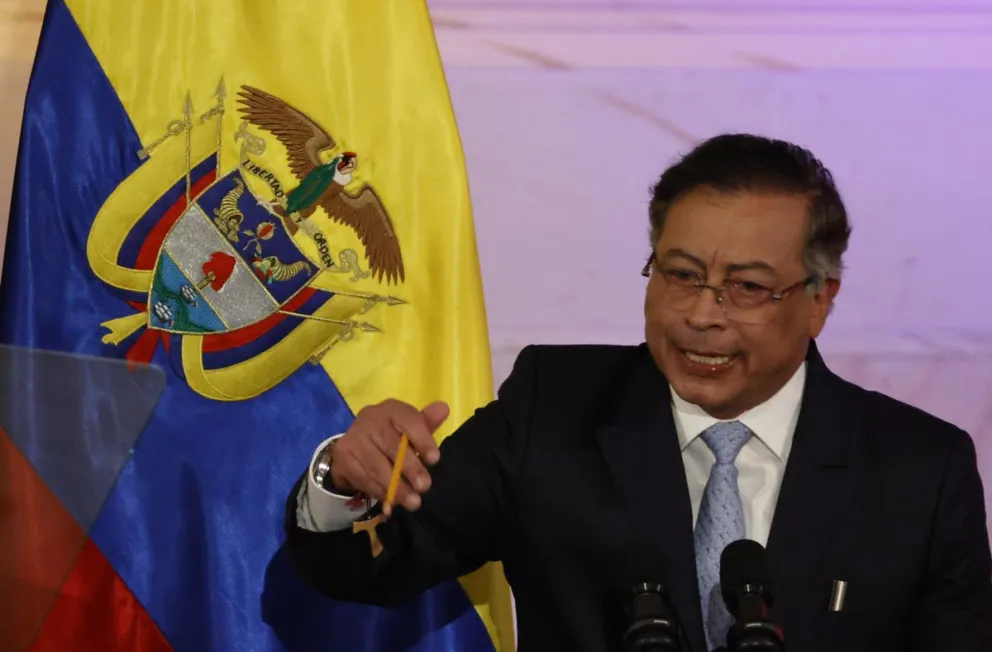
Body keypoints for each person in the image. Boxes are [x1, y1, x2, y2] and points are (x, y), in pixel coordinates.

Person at [284, 134, 992, 652]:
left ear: (818, 299)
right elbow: (372, 566)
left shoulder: (919, 471)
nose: (702, 314)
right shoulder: (554, 411)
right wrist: (343, 480)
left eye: (746, 287)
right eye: (680, 274)